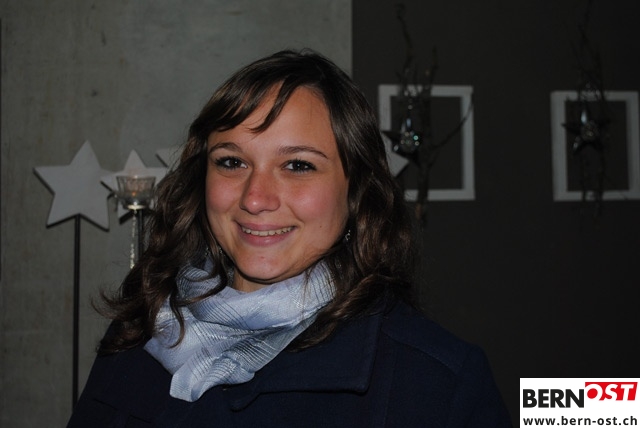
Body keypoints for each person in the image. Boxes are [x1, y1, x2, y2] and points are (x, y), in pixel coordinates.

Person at [68, 49, 511, 427]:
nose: (255, 198)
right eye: (231, 162)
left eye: (298, 165)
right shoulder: (137, 334)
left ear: (356, 192)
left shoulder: (438, 382)